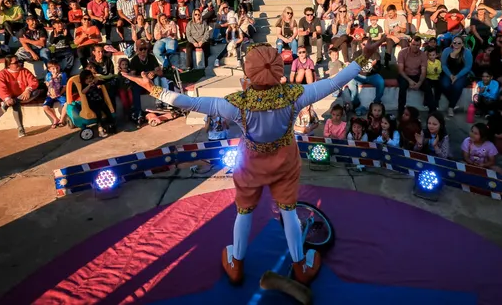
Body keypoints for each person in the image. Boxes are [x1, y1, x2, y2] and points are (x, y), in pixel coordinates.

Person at [123, 39, 384, 286]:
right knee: (289, 211)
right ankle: (300, 267)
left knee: (244, 211)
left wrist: (151, 88)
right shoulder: (296, 95)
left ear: (249, 72)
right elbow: (336, 81)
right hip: (285, 162)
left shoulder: (236, 104)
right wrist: (366, 54)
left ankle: (236, 262)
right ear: (279, 70)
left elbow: (187, 101)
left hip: (250, 164)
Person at [0, 56, 42, 137]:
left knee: (36, 92)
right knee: (15, 104)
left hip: (26, 94)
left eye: (19, 61)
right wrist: (7, 98)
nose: (19, 64)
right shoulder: (2, 74)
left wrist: (28, 90)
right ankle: (21, 128)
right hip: (12, 96)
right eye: (15, 63)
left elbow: (34, 81)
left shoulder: (24, 70)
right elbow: (1, 88)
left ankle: (9, 103)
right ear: (8, 65)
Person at [77, 69, 117, 137]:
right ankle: (100, 129)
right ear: (83, 80)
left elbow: (103, 81)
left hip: (100, 101)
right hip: (93, 104)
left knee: (107, 111)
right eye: (87, 79)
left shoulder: (95, 83)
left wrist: (97, 80)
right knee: (98, 114)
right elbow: (83, 92)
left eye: (90, 77)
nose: (89, 79)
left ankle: (111, 125)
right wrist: (89, 85)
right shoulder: (85, 86)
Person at [440, 37, 474, 116]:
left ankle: (451, 107)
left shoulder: (467, 52)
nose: (456, 44)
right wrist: (450, 75)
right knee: (444, 85)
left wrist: (457, 76)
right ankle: (454, 101)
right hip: (449, 72)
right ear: (452, 43)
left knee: (457, 86)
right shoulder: (446, 51)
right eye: (454, 42)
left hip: (461, 73)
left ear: (462, 44)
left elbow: (468, 67)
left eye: (459, 43)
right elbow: (444, 65)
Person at [396, 39, 427, 115]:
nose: (415, 47)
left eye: (417, 45)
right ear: (410, 44)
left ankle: (432, 110)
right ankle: (400, 112)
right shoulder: (402, 52)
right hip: (404, 75)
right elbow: (400, 70)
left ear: (420, 46)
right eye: (413, 44)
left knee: (427, 86)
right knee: (402, 87)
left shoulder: (423, 55)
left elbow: (423, 71)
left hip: (416, 75)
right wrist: (409, 80)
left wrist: (419, 83)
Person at [42, 60, 68, 129]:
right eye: (53, 68)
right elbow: (49, 85)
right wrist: (53, 78)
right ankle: (55, 119)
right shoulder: (48, 75)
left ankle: (62, 119)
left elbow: (64, 87)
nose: (56, 70)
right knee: (45, 107)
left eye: (57, 67)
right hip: (51, 94)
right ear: (49, 69)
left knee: (66, 104)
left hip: (60, 93)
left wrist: (59, 94)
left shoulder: (63, 74)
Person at [423, 47, 444, 112]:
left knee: (439, 87)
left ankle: (437, 101)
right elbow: (428, 71)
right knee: (427, 87)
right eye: (430, 55)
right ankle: (426, 101)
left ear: (436, 55)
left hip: (436, 78)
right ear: (428, 55)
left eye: (433, 55)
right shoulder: (427, 62)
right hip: (429, 78)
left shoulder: (438, 62)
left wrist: (436, 71)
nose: (432, 57)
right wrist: (434, 71)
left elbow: (440, 70)